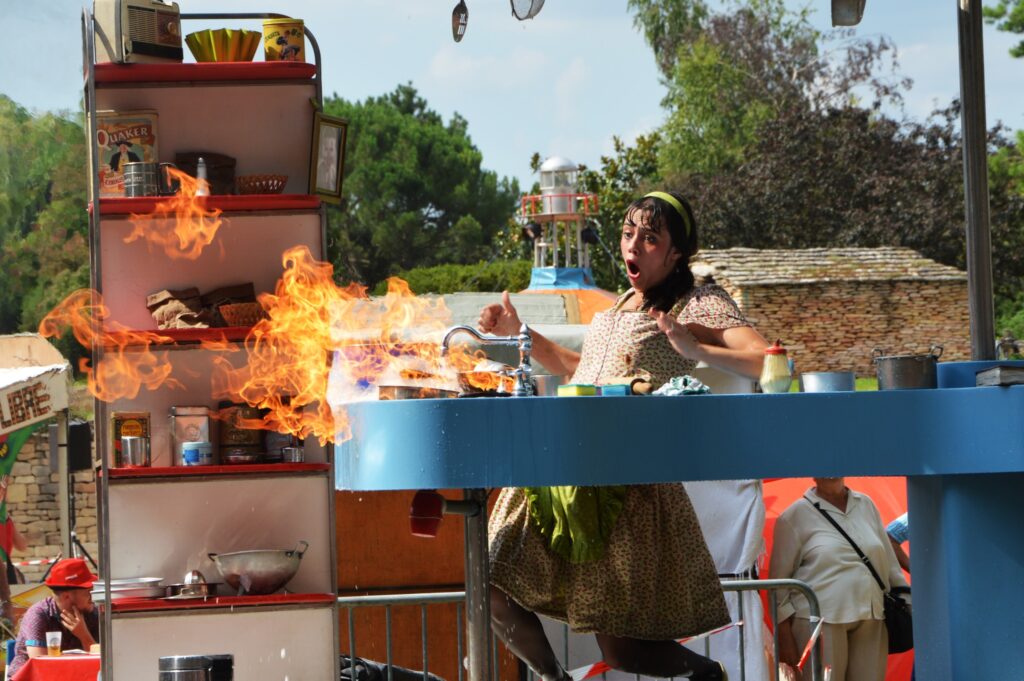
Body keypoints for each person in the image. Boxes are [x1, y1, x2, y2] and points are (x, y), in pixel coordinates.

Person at [477, 191, 770, 681]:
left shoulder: (699, 301)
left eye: (650, 238)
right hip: (567, 472)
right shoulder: (622, 303)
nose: (634, 245)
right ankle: (556, 679)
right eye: (629, 233)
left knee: (619, 648)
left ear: (676, 253)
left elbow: (767, 357)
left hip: (625, 489)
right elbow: (581, 370)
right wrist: (521, 333)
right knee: (490, 584)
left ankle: (708, 677)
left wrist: (692, 344)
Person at [770, 478, 910, 681]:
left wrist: (905, 599)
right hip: (820, 621)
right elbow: (778, 585)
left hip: (872, 615)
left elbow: (889, 562)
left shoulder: (866, 505)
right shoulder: (794, 516)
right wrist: (784, 637)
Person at [7, 558, 100, 678]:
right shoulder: (38, 615)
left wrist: (83, 635)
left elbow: (102, 662)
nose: (93, 596)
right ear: (67, 597)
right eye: (88, 591)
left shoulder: (92, 613)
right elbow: (40, 666)